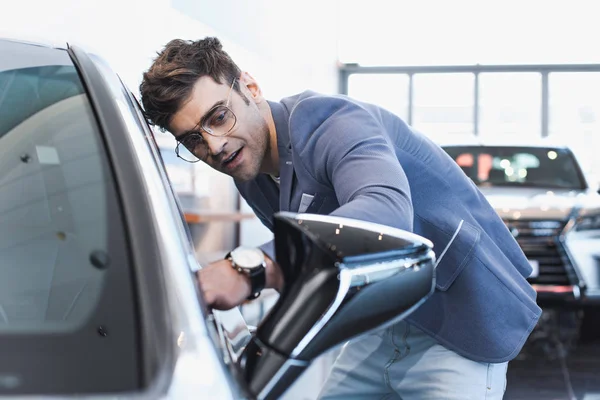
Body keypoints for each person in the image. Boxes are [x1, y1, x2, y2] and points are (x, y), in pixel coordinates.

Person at [139, 37, 542, 399]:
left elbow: (386, 210)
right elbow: (319, 260)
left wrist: (252, 268)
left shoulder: (332, 121)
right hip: (386, 318)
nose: (215, 145)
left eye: (218, 116)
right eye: (193, 139)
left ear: (250, 87)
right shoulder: (248, 168)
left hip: (463, 319)